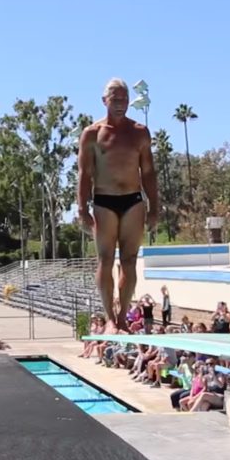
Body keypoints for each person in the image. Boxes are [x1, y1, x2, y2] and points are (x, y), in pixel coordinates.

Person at [77, 78, 160, 333]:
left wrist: (155, 206)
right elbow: (84, 174)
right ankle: (109, 317)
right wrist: (82, 208)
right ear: (105, 101)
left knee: (129, 260)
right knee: (104, 259)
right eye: (115, 99)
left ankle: (123, 315)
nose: (121, 103)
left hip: (133, 200)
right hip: (104, 201)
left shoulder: (139, 132)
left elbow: (148, 172)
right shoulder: (92, 133)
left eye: (124, 99)